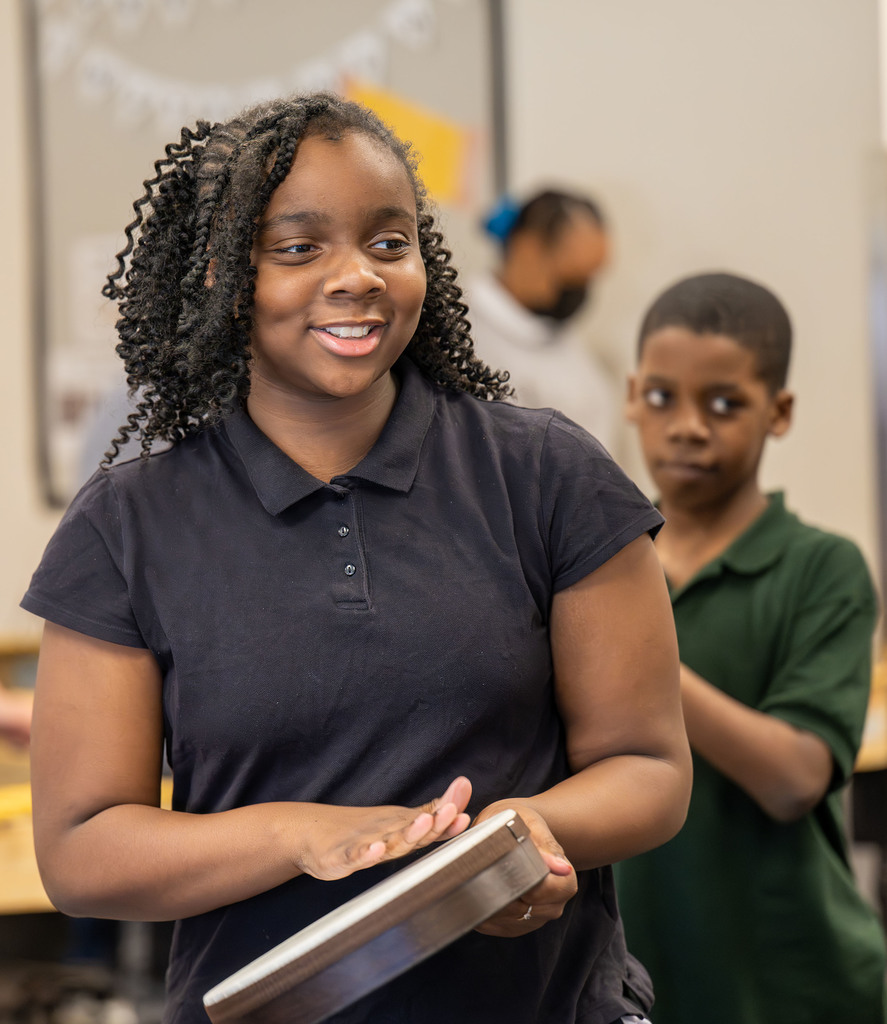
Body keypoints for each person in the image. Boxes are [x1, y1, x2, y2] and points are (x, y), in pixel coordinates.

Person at [21, 93, 691, 1024]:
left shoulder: (547, 474)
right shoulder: (127, 524)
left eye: (389, 241)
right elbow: (82, 852)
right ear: (221, 272)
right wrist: (304, 836)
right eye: (298, 248)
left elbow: (649, 765)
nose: (359, 277)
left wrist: (519, 836)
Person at [615, 271, 887, 1024]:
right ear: (633, 396)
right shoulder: (594, 561)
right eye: (663, 397)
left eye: (724, 404)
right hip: (630, 977)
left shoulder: (820, 568)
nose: (688, 426)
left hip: (790, 983)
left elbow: (794, 778)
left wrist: (638, 654)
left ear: (780, 411)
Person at [464, 189, 618, 449]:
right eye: (571, 277)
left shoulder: (572, 352)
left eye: (588, 280)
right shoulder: (459, 332)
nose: (578, 293)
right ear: (528, 247)